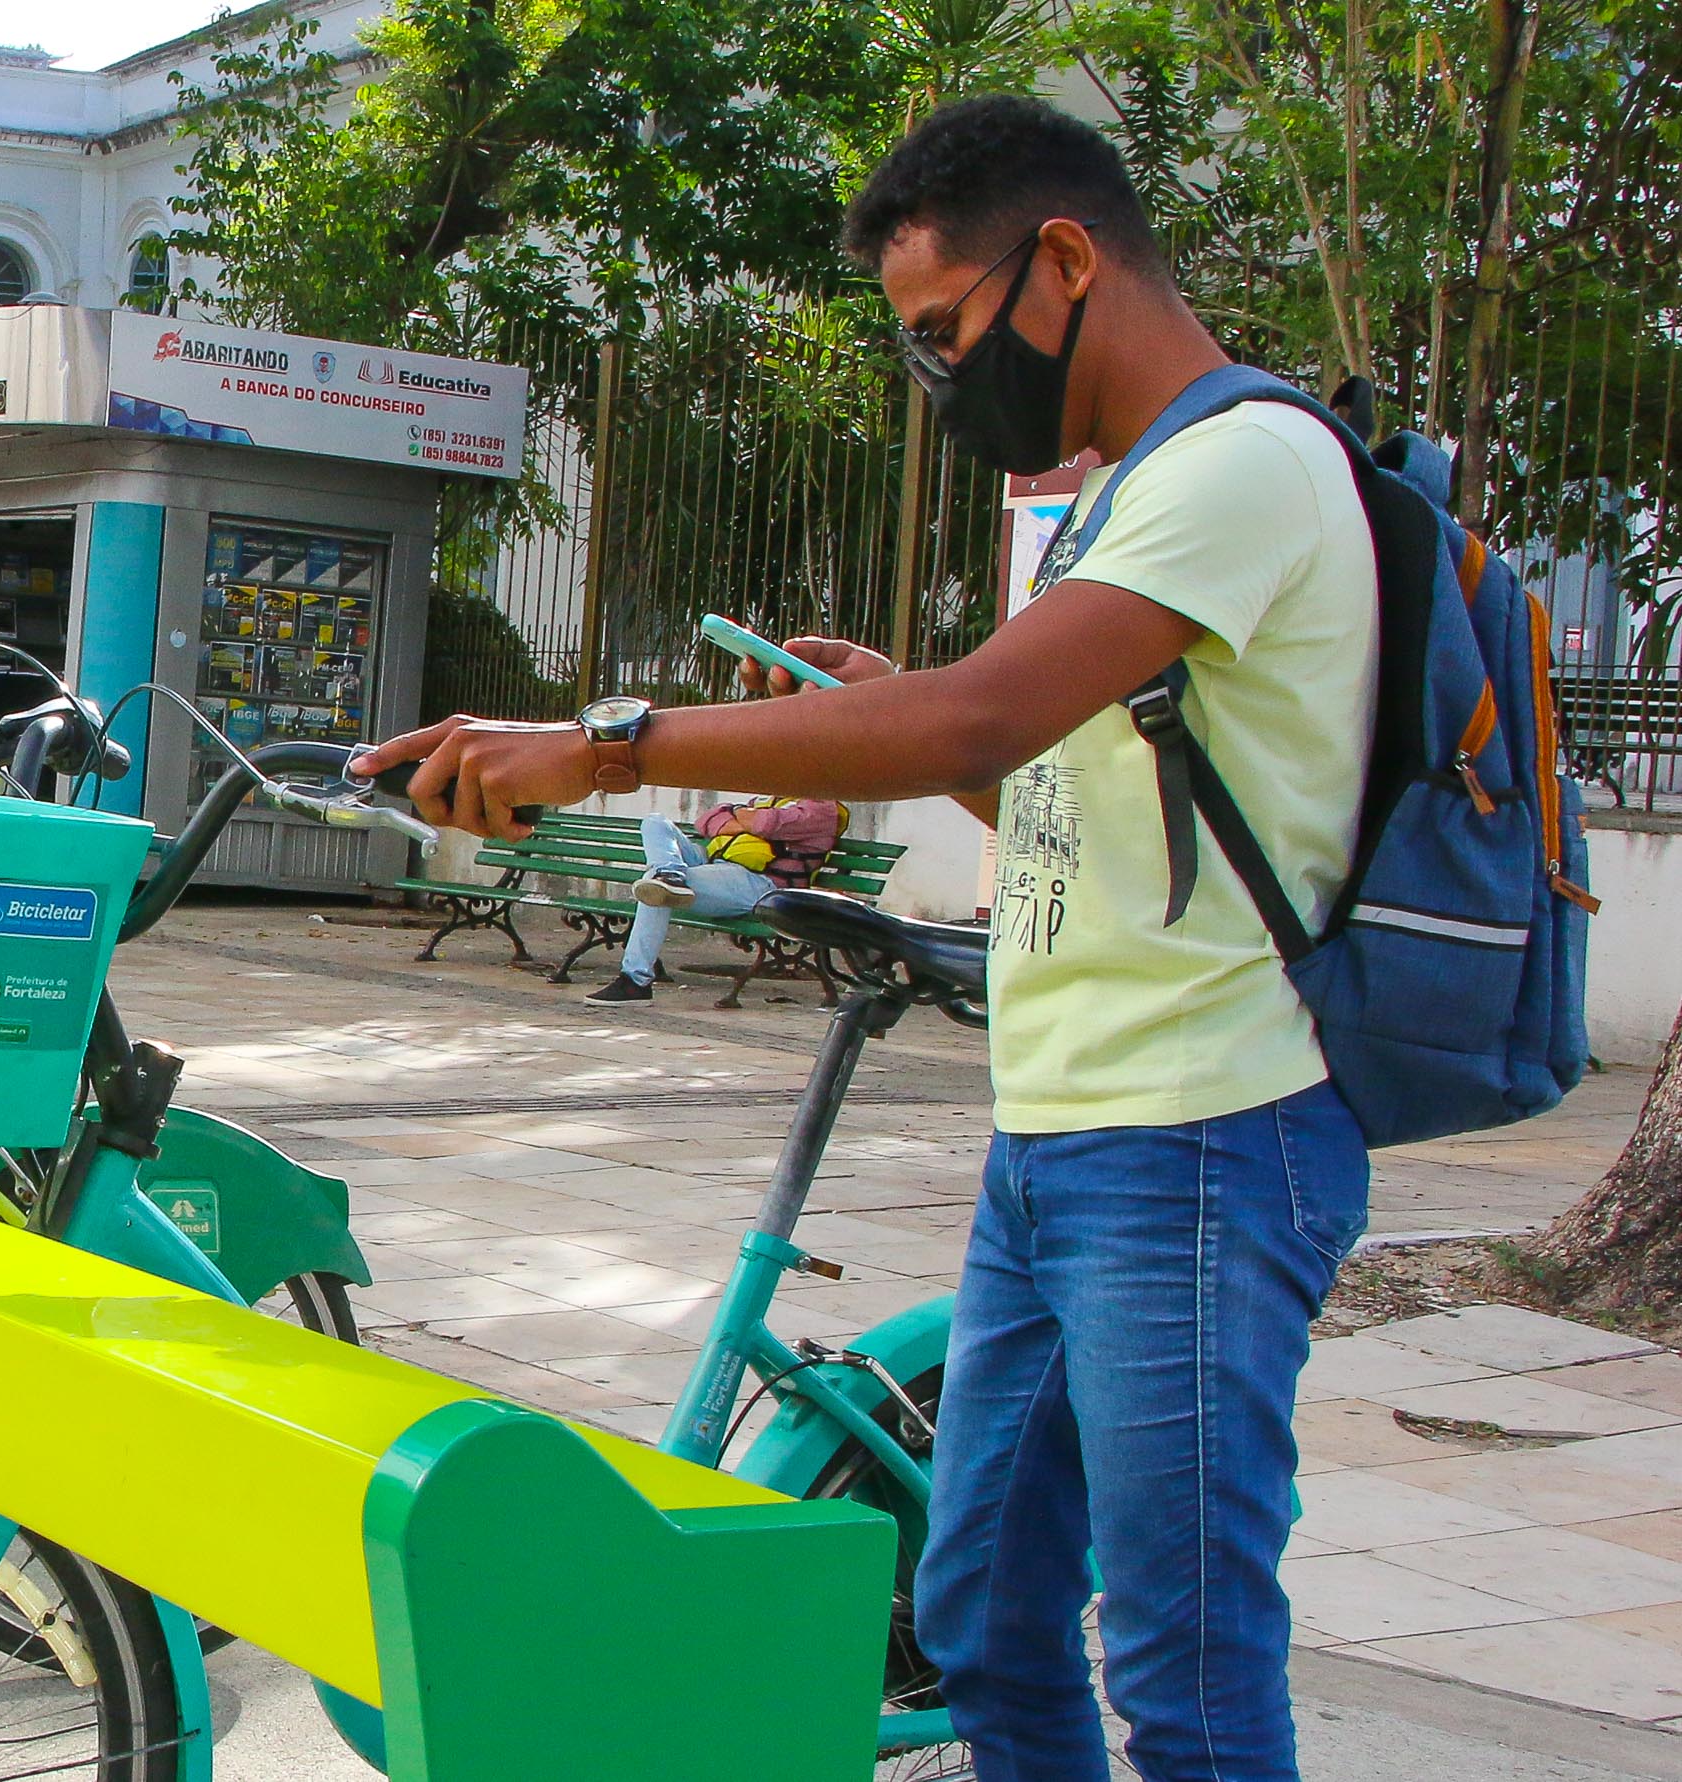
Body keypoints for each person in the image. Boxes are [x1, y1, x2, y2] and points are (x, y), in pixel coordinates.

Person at [355, 94, 1376, 1782]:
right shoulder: (1128, 495)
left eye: (940, 334)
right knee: (978, 1605)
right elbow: (1044, 785)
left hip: (1208, 1134)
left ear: (1063, 261)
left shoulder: (1247, 463)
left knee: (1188, 1664)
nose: (936, 378)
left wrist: (608, 740)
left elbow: (978, 726)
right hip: (1061, 1137)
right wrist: (904, 713)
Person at [584, 796, 843, 1005]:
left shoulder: (822, 809)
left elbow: (765, 823)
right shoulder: (771, 799)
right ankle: (671, 873)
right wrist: (745, 819)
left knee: (656, 885)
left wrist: (738, 816)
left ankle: (635, 980)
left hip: (761, 883)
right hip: (716, 865)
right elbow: (707, 820)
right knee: (655, 823)